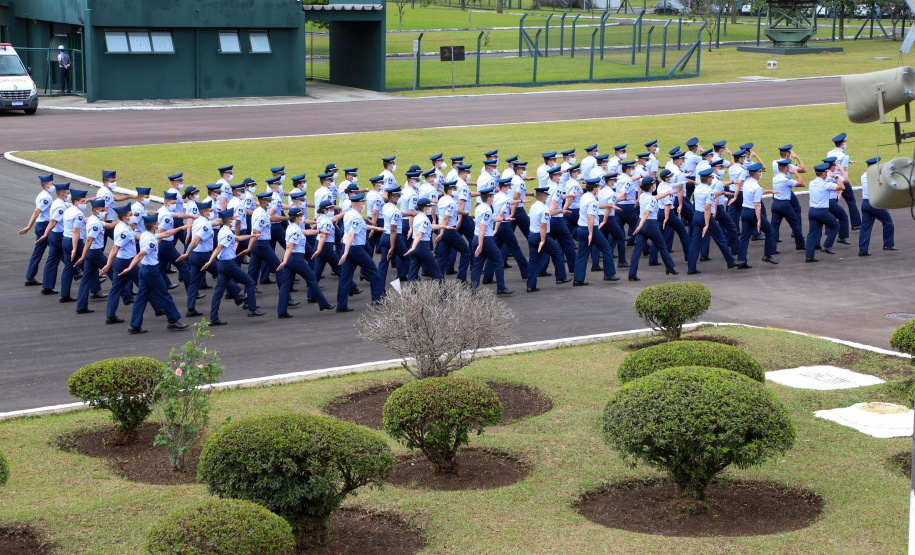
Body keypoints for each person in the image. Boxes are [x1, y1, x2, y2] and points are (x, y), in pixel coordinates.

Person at [122, 215, 189, 334]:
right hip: (151, 271)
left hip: (144, 270)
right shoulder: (151, 240)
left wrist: (181, 228)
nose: (159, 225)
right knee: (164, 295)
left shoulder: (145, 234)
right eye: (157, 224)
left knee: (141, 298)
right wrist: (130, 267)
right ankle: (173, 321)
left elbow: (166, 234)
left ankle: (134, 325)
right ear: (154, 226)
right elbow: (140, 255)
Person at [200, 209, 263, 324]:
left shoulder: (224, 230)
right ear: (229, 221)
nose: (234, 221)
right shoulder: (227, 233)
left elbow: (237, 238)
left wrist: (253, 235)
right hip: (228, 265)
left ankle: (213, 317)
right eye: (232, 219)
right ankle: (252, 309)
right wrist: (209, 261)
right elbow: (219, 248)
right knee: (250, 282)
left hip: (223, 265)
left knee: (218, 292)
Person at [276, 207, 335, 315]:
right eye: (301, 216)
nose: (303, 218)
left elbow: (305, 232)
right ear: (297, 218)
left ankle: (281, 311)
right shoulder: (295, 230)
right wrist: (284, 261)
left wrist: (319, 231)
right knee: (312, 280)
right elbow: (289, 247)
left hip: (291, 259)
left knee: (285, 286)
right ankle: (323, 303)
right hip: (296, 259)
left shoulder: (292, 227)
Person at [247, 192, 294, 315]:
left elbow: (271, 218)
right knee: (279, 270)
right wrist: (248, 248)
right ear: (264, 201)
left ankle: (250, 304)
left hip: (258, 245)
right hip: (262, 244)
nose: (270, 203)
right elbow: (256, 231)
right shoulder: (261, 214)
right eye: (268, 201)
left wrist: (286, 218)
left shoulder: (259, 211)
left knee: (251, 276)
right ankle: (286, 299)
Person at [337, 192, 385, 312]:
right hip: (355, 249)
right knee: (374, 272)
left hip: (349, 248)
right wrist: (346, 253)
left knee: (345, 277)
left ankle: (341, 305)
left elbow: (362, 227)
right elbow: (352, 235)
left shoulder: (349, 214)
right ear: (359, 204)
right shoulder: (356, 217)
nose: (364, 205)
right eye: (362, 203)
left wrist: (376, 228)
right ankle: (377, 300)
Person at [687, 169, 736, 275]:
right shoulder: (708, 191)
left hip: (696, 216)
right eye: (711, 178)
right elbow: (708, 208)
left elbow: (712, 194)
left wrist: (722, 192)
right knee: (720, 238)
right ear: (709, 179)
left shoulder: (698, 188)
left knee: (695, 242)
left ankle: (691, 267)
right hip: (706, 217)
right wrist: (707, 224)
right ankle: (730, 261)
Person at [628, 177, 678, 281]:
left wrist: (667, 193)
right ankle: (670, 267)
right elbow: (647, 212)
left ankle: (632, 273)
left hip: (641, 222)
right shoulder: (651, 200)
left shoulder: (643, 195)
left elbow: (655, 197)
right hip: (649, 224)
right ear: (651, 186)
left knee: (637, 250)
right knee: (662, 245)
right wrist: (640, 226)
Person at [574, 178, 620, 284]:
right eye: (598, 187)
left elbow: (596, 205)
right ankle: (609, 274)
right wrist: (591, 233)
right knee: (607, 249)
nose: (599, 188)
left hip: (581, 228)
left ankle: (578, 279)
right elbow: (591, 217)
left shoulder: (585, 197)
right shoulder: (592, 200)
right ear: (595, 188)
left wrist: (609, 205)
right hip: (591, 229)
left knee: (582, 254)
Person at [525, 186, 570, 292]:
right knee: (557, 253)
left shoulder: (534, 206)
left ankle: (531, 285)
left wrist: (561, 211)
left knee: (533, 261)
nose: (547, 199)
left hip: (532, 235)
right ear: (544, 196)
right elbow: (543, 226)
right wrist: (543, 240)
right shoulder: (544, 208)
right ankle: (561, 277)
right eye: (546, 197)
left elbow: (549, 213)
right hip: (540, 236)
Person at [484, 177, 529, 284]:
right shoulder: (506, 199)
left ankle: (487, 276)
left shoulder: (496, 196)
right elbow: (504, 211)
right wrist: (521, 201)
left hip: (497, 224)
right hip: (504, 226)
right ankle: (526, 272)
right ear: (504, 187)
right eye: (508, 187)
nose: (510, 189)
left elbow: (510, 202)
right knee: (516, 249)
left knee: (493, 252)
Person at [469, 187, 513, 294]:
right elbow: (483, 227)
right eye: (492, 196)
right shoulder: (487, 210)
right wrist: (481, 244)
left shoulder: (479, 207)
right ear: (489, 198)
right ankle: (501, 287)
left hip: (476, 238)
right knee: (499, 262)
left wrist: (504, 219)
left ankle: (474, 289)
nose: (493, 198)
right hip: (485, 240)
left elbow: (492, 218)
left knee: (477, 265)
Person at [736, 163, 778, 268]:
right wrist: (759, 220)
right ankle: (767, 255)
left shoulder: (746, 183)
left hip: (745, 212)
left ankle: (741, 261)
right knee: (770, 231)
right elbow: (757, 204)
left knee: (744, 238)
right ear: (758, 174)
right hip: (753, 213)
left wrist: (769, 191)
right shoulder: (757, 186)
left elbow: (755, 193)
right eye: (760, 172)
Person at [75, 199, 111, 314]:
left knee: (86, 279)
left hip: (93, 253)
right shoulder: (95, 223)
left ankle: (81, 306)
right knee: (113, 271)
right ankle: (126, 296)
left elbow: (109, 225)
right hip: (95, 253)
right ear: (95, 211)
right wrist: (82, 256)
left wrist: (123, 221)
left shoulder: (94, 219)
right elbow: (89, 241)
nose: (104, 212)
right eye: (102, 210)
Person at [36, 182, 72, 296]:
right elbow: (53, 221)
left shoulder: (58, 202)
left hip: (54, 235)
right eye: (68, 193)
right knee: (75, 258)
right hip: (59, 235)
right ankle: (94, 285)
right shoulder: (60, 206)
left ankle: (47, 286)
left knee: (52, 261)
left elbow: (70, 204)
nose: (69, 194)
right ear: (62, 194)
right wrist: (45, 234)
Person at [20, 173, 55, 286]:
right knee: (58, 249)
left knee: (37, 253)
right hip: (44, 226)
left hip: (41, 226)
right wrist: (29, 226)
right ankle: (77, 271)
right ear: (46, 185)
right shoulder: (46, 197)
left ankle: (30, 277)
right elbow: (36, 211)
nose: (53, 186)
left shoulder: (42, 195)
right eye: (52, 184)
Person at [858, 156, 898, 256]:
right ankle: (888, 244)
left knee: (865, 227)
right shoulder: (878, 176)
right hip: (875, 204)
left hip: (865, 203)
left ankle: (863, 250)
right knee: (888, 222)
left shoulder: (863, 175)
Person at [650, 168, 689, 267]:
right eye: (670, 177)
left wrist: (682, 182)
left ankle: (653, 259)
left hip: (660, 212)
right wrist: (667, 218)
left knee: (657, 236)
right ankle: (688, 255)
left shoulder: (661, 186)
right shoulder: (668, 189)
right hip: (668, 213)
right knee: (683, 232)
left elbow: (671, 186)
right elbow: (668, 204)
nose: (671, 178)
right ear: (666, 178)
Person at [805, 163, 843, 263]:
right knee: (835, 226)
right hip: (822, 211)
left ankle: (809, 256)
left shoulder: (811, 183)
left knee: (812, 234)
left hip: (812, 211)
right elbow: (842, 186)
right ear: (823, 174)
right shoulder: (825, 184)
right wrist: (836, 176)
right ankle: (827, 246)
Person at [157, 192, 193, 295]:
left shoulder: (163, 210)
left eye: (176, 203)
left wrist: (191, 216)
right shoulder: (167, 215)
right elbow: (161, 233)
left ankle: (156, 291)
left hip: (163, 245)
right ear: (166, 202)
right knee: (184, 267)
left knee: (159, 269)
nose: (175, 205)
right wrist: (155, 246)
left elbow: (178, 214)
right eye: (173, 203)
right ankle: (192, 293)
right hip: (166, 245)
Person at [405, 198, 447, 283]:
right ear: (425, 207)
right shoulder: (424, 219)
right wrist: (413, 247)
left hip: (415, 245)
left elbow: (429, 226)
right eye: (429, 206)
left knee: (412, 274)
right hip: (422, 247)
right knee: (436, 270)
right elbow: (419, 234)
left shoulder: (418, 216)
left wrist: (444, 226)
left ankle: (410, 293)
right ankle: (444, 292)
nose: (430, 208)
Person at [435, 181, 471, 282]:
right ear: (450, 190)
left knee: (442, 257)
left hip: (443, 230)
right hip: (449, 230)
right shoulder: (451, 202)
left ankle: (439, 281)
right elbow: (446, 218)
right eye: (454, 189)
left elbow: (454, 210)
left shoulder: (442, 199)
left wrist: (467, 213)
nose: (456, 191)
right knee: (466, 252)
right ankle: (461, 279)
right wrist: (442, 233)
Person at [545, 166, 577, 277]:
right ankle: (574, 267)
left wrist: (570, 195)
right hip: (556, 219)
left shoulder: (548, 186)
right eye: (558, 175)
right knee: (568, 242)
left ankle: (541, 268)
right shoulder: (557, 188)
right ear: (554, 176)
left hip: (549, 219)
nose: (560, 177)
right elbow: (554, 202)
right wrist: (560, 211)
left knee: (548, 244)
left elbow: (558, 196)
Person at [827, 132, 862, 230]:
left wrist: (848, 161)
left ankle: (828, 226)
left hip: (830, 178)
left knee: (832, 202)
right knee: (851, 201)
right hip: (840, 179)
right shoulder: (844, 155)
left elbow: (831, 164)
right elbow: (842, 171)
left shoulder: (830, 152)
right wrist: (842, 186)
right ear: (843, 143)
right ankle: (856, 224)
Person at [60, 189, 90, 303]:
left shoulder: (68, 210)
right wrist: (75, 248)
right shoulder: (79, 214)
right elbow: (76, 232)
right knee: (88, 266)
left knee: (68, 268)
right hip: (74, 242)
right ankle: (95, 291)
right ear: (76, 202)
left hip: (65, 240)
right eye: (83, 201)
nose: (85, 203)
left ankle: (64, 295)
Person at [770, 158, 806, 251]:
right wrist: (795, 172)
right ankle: (800, 244)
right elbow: (801, 183)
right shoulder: (786, 179)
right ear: (786, 168)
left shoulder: (775, 178)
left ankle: (771, 248)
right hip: (784, 205)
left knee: (774, 227)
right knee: (795, 224)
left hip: (775, 204)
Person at [377, 185, 410, 287]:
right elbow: (393, 229)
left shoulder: (386, 206)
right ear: (392, 197)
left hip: (384, 236)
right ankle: (416, 285)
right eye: (397, 196)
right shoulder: (395, 211)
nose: (399, 198)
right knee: (407, 259)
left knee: (383, 264)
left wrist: (410, 214)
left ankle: (379, 290)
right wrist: (392, 246)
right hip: (394, 238)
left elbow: (398, 214)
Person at [822, 156, 852, 246]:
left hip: (824, 200)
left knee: (826, 218)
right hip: (831, 201)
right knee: (843, 217)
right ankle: (842, 237)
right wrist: (841, 169)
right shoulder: (834, 175)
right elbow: (846, 180)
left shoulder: (822, 174)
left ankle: (826, 232)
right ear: (832, 166)